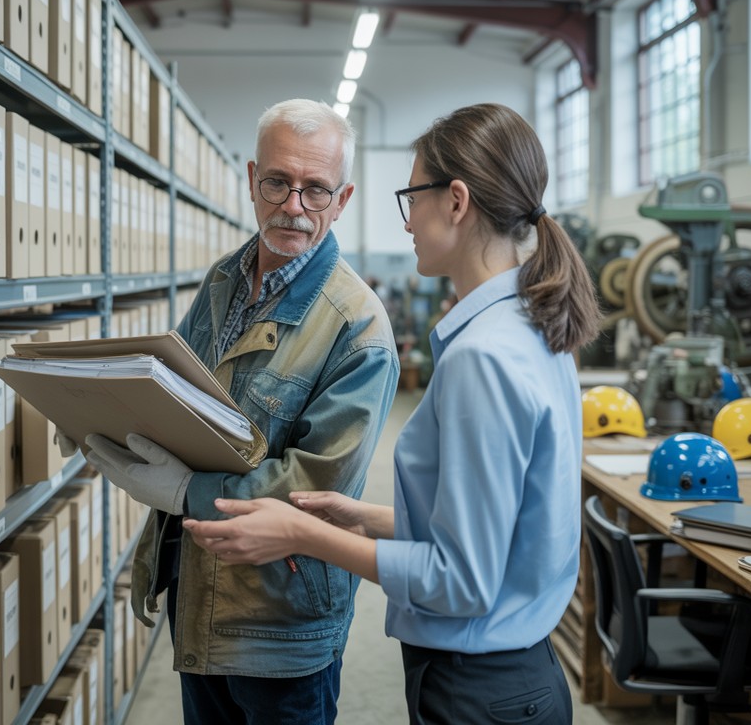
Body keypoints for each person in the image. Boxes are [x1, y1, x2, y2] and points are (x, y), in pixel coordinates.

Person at [182, 103, 601, 725]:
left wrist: (303, 533)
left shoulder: (483, 356)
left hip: (479, 689)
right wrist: (370, 517)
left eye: (414, 197)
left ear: (455, 202)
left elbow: (460, 581)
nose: (408, 224)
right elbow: (499, 530)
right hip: (509, 679)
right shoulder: (532, 328)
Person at [81, 98, 400, 725]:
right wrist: (101, 409)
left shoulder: (359, 329)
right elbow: (173, 389)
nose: (293, 206)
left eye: (316, 189)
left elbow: (316, 488)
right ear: (253, 179)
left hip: (279, 624)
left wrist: (184, 490)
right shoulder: (225, 279)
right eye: (278, 182)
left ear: (344, 198)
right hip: (196, 588)